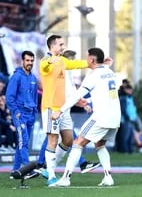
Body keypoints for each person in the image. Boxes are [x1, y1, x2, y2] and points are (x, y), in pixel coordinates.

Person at [51, 47, 121, 187]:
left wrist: (61, 110)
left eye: (87, 57)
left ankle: (66, 178)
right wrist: (105, 64)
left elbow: (77, 95)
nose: (86, 60)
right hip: (115, 116)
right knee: (99, 144)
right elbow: (106, 92)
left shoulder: (93, 75)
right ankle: (108, 177)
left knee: (78, 143)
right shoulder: (110, 72)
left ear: (92, 60)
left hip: (101, 116)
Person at [36, 50, 100, 176]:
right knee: (68, 138)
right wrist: (79, 102)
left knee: (55, 138)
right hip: (58, 108)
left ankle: (41, 164)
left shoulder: (68, 73)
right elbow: (67, 92)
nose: (73, 62)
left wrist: (80, 102)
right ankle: (82, 164)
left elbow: (72, 91)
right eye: (71, 59)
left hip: (63, 108)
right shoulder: (62, 71)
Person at [39, 35, 89, 186]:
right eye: (60, 44)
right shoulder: (44, 61)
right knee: (52, 140)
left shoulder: (62, 61)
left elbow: (76, 64)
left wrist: (94, 62)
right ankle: (51, 177)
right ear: (52, 46)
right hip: (50, 108)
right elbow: (44, 66)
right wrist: (50, 60)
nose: (63, 47)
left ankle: (49, 169)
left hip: (62, 109)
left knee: (68, 141)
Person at [5, 50, 39, 179]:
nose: (30, 63)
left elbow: (35, 96)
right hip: (20, 114)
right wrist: (16, 111)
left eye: (32, 61)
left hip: (30, 114)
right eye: (27, 60)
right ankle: (26, 169)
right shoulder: (16, 77)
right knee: (23, 141)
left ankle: (15, 171)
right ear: (22, 61)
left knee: (23, 142)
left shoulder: (33, 78)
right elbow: (9, 97)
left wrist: (35, 110)